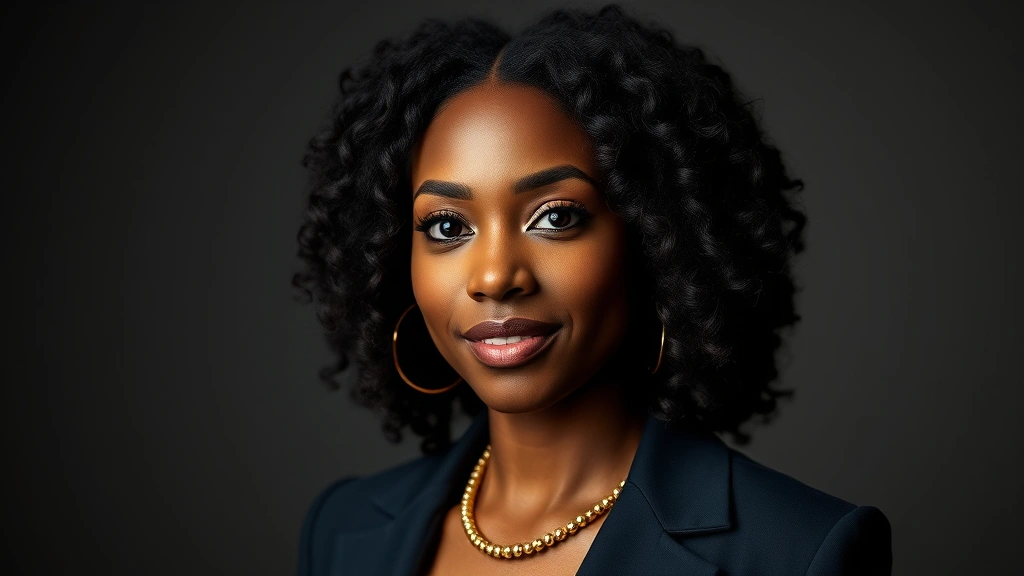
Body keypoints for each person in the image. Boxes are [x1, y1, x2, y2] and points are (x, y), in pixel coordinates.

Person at [292, 4, 892, 575]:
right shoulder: (341, 532)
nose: (496, 276)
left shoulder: (800, 554)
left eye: (556, 216)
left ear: (655, 237)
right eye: (448, 227)